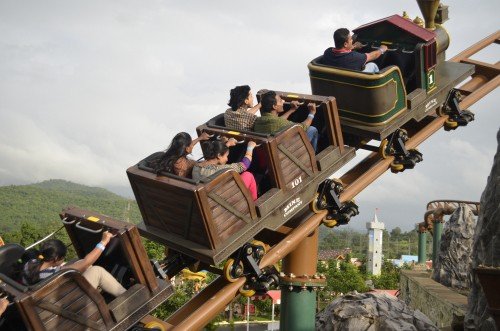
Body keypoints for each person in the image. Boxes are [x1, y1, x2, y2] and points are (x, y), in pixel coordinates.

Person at [22, 231, 126, 297]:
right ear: (57, 258)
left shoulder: (30, 263)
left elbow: (82, 264)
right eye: (63, 258)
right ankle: (127, 296)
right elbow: (86, 261)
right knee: (97, 270)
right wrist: (104, 242)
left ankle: (102, 288)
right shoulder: (55, 274)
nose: (63, 260)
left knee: (81, 264)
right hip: (67, 302)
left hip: (46, 299)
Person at [192, 139, 258, 200]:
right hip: (224, 199)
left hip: (210, 198)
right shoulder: (221, 169)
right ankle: (254, 204)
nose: (227, 159)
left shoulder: (196, 166)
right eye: (226, 156)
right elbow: (244, 165)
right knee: (248, 175)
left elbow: (218, 154)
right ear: (219, 155)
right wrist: (250, 147)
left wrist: (227, 144)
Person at [253, 90, 318, 151]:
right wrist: (312, 113)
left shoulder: (258, 121)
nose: (283, 101)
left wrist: (292, 110)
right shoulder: (281, 123)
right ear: (274, 106)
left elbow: (278, 121)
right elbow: (303, 127)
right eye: (280, 101)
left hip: (276, 152)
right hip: (289, 152)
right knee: (312, 129)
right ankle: (312, 157)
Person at [321, 28, 388, 73]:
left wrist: (354, 46)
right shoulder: (354, 58)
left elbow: (341, 51)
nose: (352, 40)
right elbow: (373, 55)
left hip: (335, 84)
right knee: (373, 65)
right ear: (345, 44)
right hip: (354, 86)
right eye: (350, 39)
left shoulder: (327, 53)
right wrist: (381, 49)